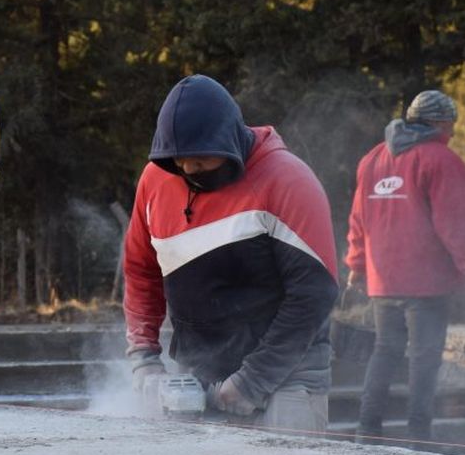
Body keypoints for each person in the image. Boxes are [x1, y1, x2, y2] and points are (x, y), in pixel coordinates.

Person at [124, 74, 339, 428]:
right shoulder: (155, 180)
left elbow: (314, 293)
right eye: (180, 161)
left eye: (201, 159)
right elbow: (140, 270)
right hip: (198, 376)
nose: (189, 169)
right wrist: (144, 357)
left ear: (227, 141)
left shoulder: (287, 181)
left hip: (286, 376)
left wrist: (253, 380)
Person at [345, 89, 465, 447]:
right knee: (424, 359)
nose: (454, 131)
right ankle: (418, 436)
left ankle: (367, 431)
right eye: (451, 123)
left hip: (383, 281)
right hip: (427, 282)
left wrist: (356, 264)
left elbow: (358, 221)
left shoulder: (373, 159)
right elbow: (455, 224)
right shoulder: (442, 160)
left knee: (385, 351)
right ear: (438, 122)